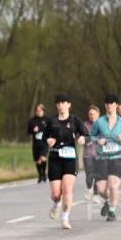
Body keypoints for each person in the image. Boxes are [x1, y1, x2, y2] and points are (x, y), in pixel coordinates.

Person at [44, 94, 85, 230]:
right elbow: (45, 137)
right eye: (59, 103)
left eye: (63, 103)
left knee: (67, 189)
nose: (61, 105)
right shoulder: (51, 121)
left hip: (70, 158)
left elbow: (85, 134)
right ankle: (56, 204)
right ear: (56, 105)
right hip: (55, 158)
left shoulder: (75, 120)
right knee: (56, 194)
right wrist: (48, 141)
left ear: (69, 104)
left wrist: (82, 139)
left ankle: (65, 219)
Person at [90, 95, 121, 222]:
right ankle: (108, 200)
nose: (109, 105)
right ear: (105, 106)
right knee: (102, 189)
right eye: (107, 103)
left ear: (116, 105)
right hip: (102, 158)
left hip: (118, 157)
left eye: (111, 103)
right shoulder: (99, 122)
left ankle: (112, 211)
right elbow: (90, 136)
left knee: (113, 184)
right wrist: (98, 140)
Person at [82, 106, 102, 202]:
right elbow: (81, 138)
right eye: (90, 114)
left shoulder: (102, 125)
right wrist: (86, 141)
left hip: (99, 154)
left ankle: (96, 195)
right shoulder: (84, 125)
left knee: (98, 175)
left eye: (94, 114)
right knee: (89, 174)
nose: (92, 116)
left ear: (98, 114)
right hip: (88, 154)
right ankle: (89, 188)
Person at [27, 104, 49, 183]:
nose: (39, 112)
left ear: (43, 111)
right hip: (36, 144)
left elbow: (51, 130)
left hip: (44, 143)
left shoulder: (47, 120)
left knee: (43, 158)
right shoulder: (32, 121)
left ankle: (44, 173)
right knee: (38, 161)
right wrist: (33, 130)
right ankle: (40, 175)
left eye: (40, 111)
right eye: (37, 111)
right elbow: (28, 132)